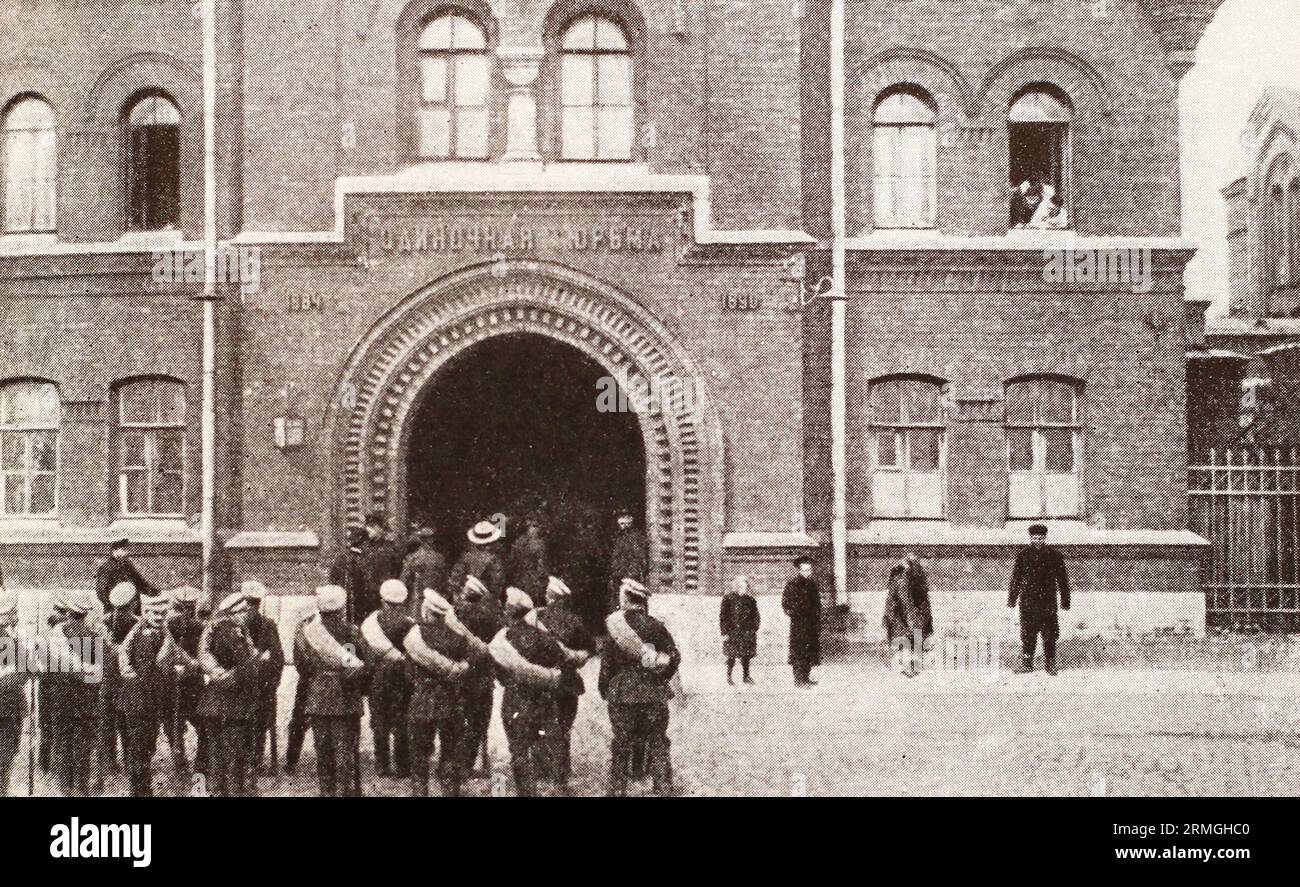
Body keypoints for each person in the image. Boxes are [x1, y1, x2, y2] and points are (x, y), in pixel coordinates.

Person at [600, 577, 679, 796]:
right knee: (658, 742)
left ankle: (617, 790)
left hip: (622, 694)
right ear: (641, 600)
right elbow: (673, 657)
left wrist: (605, 688)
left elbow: (607, 665)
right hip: (653, 694)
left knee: (621, 743)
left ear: (625, 598)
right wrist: (661, 676)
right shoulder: (656, 626)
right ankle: (663, 788)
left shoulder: (614, 627)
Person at [294, 585, 371, 796]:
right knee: (345, 753)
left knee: (323, 752)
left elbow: (301, 667)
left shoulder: (307, 632)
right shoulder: (351, 631)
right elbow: (367, 663)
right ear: (341, 607)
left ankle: (326, 793)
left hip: (317, 697)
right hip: (346, 698)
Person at [489, 586, 565, 797]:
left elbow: (499, 673)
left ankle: (526, 793)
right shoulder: (544, 637)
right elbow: (559, 661)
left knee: (519, 750)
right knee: (542, 745)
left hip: (515, 700)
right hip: (542, 701)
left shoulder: (504, 639)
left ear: (510, 610)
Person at [198, 592, 268, 797]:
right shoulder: (233, 632)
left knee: (216, 756)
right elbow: (245, 665)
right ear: (240, 611)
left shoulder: (215, 628)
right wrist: (259, 660)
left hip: (212, 702)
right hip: (233, 704)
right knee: (234, 759)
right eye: (246, 611)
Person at [404, 588, 470, 796]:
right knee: (450, 753)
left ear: (426, 610)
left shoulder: (415, 635)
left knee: (419, 756)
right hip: (450, 701)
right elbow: (464, 670)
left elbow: (408, 673)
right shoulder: (458, 637)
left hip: (422, 699)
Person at [529, 575, 592, 792]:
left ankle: (540, 768)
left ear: (549, 597)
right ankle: (560, 773)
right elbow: (588, 649)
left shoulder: (535, 619)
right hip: (566, 680)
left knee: (539, 723)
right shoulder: (575, 621)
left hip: (540, 679)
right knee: (563, 726)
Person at [115, 591, 179, 796]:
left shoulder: (151, 631)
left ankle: (141, 789)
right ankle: (141, 792)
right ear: (146, 612)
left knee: (144, 748)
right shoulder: (145, 637)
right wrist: (172, 670)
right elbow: (148, 673)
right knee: (140, 750)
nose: (160, 617)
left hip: (144, 702)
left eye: (163, 613)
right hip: (142, 703)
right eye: (155, 614)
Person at [46, 590, 102, 796]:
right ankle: (82, 786)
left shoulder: (56, 634)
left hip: (61, 698)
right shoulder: (94, 637)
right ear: (86, 613)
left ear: (69, 612)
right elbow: (97, 677)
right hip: (86, 701)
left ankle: (65, 788)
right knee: (83, 746)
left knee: (63, 742)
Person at [447, 574, 502, 777]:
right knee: (478, 719)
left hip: (459, 672)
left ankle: (455, 761)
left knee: (457, 717)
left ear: (465, 593)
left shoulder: (454, 615)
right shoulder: (489, 616)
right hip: (482, 674)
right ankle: (470, 762)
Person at [360, 578, 414, 778]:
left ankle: (382, 764)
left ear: (382, 600)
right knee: (401, 720)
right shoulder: (408, 624)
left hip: (378, 676)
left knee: (379, 721)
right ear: (403, 602)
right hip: (402, 678)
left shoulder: (370, 623)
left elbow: (362, 651)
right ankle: (403, 765)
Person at [1008, 524, 1071, 675]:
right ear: (1030, 538)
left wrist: (1065, 601)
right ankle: (1027, 665)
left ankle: (1050, 665)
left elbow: (1062, 579)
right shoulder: (1023, 555)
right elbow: (1016, 578)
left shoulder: (1054, 556)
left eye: (1040, 538)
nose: (1037, 541)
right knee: (1027, 634)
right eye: (1035, 538)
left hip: (1047, 602)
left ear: (1045, 538)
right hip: (1028, 601)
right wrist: (1012, 599)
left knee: (1049, 634)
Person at [239, 580, 285, 772]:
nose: (250, 608)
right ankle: (249, 759)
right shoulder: (239, 625)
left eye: (253, 604)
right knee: (247, 723)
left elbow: (277, 657)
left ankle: (255, 759)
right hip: (245, 685)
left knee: (260, 723)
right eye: (249, 604)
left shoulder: (268, 625)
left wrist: (272, 683)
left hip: (261, 686)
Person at [98, 581, 139, 774]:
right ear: (132, 603)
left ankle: (108, 763)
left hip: (105, 682)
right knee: (128, 722)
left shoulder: (102, 623)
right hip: (127, 683)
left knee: (106, 724)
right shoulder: (137, 624)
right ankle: (130, 761)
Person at [165, 585, 205, 773]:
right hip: (191, 682)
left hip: (175, 682)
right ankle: (198, 763)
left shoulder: (168, 625)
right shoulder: (200, 627)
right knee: (199, 722)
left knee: (174, 723)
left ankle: (180, 760)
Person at [883, 553, 934, 677]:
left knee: (908, 640)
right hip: (906, 616)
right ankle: (910, 666)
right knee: (910, 639)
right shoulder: (907, 579)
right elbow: (906, 600)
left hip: (907, 616)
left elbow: (909, 601)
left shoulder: (903, 578)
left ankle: (909, 666)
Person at [0, 588, 26, 796]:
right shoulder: (11, 642)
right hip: (8, 706)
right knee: (5, 756)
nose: (16, 616)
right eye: (13, 612)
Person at [782, 555, 822, 687]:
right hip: (799, 625)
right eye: (804, 570)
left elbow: (817, 603)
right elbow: (786, 604)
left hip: (811, 624)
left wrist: (816, 617)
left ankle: (806, 677)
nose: (807, 573)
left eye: (809, 570)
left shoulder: (813, 585)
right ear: (799, 570)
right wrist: (795, 614)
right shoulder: (792, 584)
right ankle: (798, 680)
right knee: (799, 652)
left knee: (810, 651)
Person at [449, 520, 507, 604]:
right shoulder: (494, 559)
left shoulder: (466, 556)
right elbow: (496, 584)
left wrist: (459, 596)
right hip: (485, 601)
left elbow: (455, 579)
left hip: (464, 599)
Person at [360, 512, 404, 621]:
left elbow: (398, 569)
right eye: (367, 526)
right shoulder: (364, 547)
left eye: (372, 526)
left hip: (385, 596)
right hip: (367, 596)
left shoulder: (391, 548)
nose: (367, 529)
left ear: (380, 528)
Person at [94, 539, 156, 612]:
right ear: (114, 550)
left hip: (133, 607)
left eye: (126, 549)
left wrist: (153, 592)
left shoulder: (127, 564)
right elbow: (101, 591)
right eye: (123, 549)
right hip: (116, 611)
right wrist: (112, 605)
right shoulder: (106, 567)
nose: (127, 552)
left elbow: (139, 581)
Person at [720, 575, 760, 685]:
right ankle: (729, 676)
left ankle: (746, 676)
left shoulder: (751, 600)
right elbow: (723, 617)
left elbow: (756, 616)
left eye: (745, 587)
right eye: (741, 587)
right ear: (736, 587)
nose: (744, 589)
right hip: (733, 632)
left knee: (746, 656)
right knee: (731, 655)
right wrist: (724, 632)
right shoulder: (728, 599)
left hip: (747, 632)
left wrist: (753, 628)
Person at [400, 526, 447, 620]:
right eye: (428, 538)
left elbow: (404, 580)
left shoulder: (413, 558)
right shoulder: (438, 558)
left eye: (430, 538)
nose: (429, 541)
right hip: (425, 598)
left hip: (425, 598)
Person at [607, 510, 648, 615]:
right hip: (617, 578)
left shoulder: (636, 537)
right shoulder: (617, 537)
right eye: (620, 518)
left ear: (631, 519)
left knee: (632, 610)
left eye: (626, 517)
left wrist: (630, 577)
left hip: (630, 580)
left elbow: (639, 559)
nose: (622, 521)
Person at [329, 526, 369, 624]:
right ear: (363, 542)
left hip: (341, 604)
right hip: (360, 606)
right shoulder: (363, 560)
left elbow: (333, 580)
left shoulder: (340, 558)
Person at [508, 515, 550, 606]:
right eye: (535, 526)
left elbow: (511, 563)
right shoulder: (539, 544)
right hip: (532, 582)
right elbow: (541, 566)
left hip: (519, 581)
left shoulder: (517, 541)